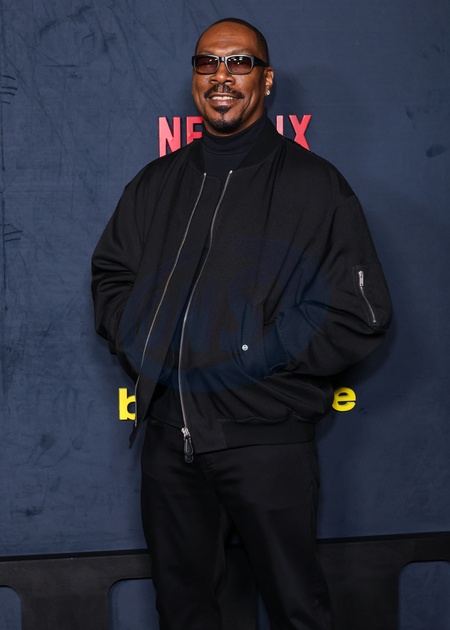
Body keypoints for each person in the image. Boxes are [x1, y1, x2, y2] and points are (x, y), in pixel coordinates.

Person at [92, 17, 392, 630]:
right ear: (195, 78)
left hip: (265, 442)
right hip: (169, 445)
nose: (221, 77)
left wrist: (255, 353)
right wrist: (143, 339)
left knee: (296, 610)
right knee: (182, 613)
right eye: (208, 63)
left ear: (267, 80)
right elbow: (111, 275)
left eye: (239, 63)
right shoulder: (156, 183)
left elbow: (359, 311)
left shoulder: (316, 185)